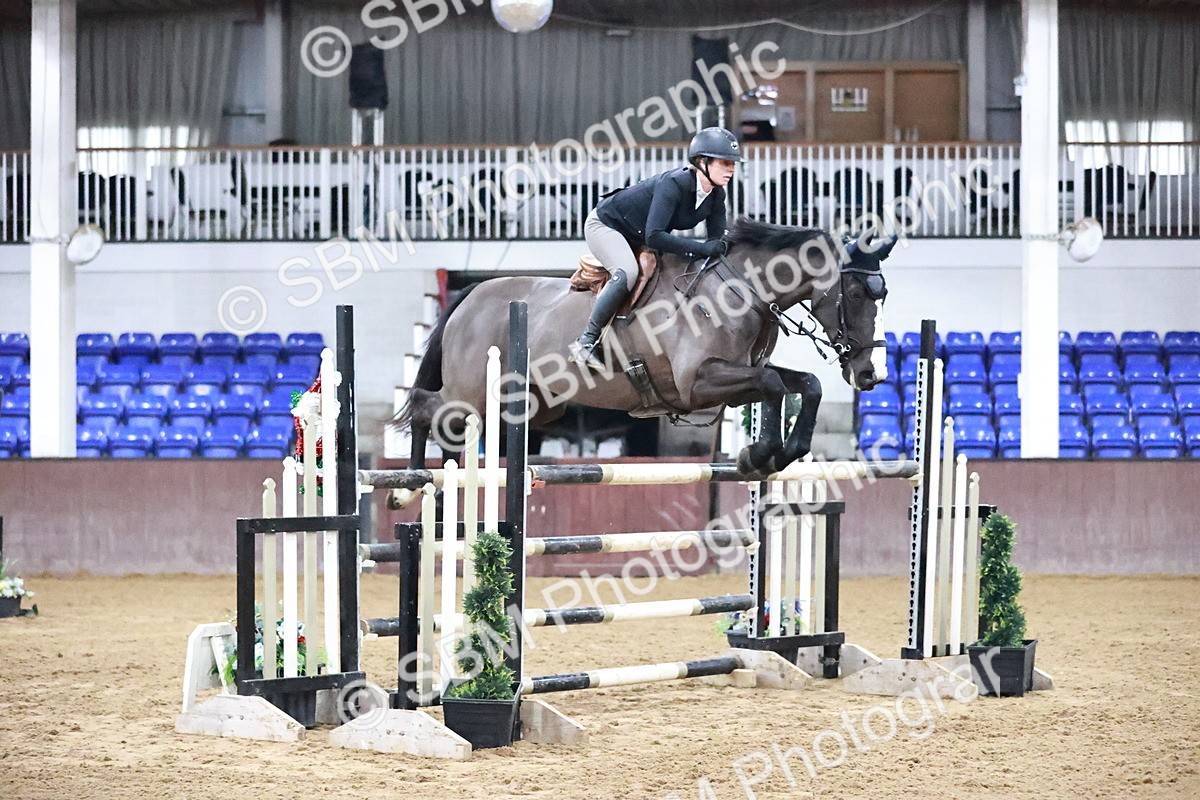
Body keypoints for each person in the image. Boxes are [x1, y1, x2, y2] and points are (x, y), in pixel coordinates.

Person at [568, 127, 743, 370]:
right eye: (725, 163)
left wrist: (722, 247)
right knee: (627, 271)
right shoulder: (673, 185)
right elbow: (655, 236)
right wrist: (702, 248)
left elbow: (717, 242)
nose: (732, 169)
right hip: (607, 225)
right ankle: (585, 341)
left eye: (733, 164)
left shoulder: (716, 196)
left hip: (639, 234)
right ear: (702, 162)